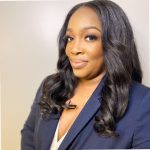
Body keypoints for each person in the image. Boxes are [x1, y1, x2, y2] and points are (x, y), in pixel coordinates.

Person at [21, 0, 150, 149]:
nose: (74, 49)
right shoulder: (50, 86)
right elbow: (29, 136)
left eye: (90, 37)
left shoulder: (143, 103)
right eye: (70, 38)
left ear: (114, 42)